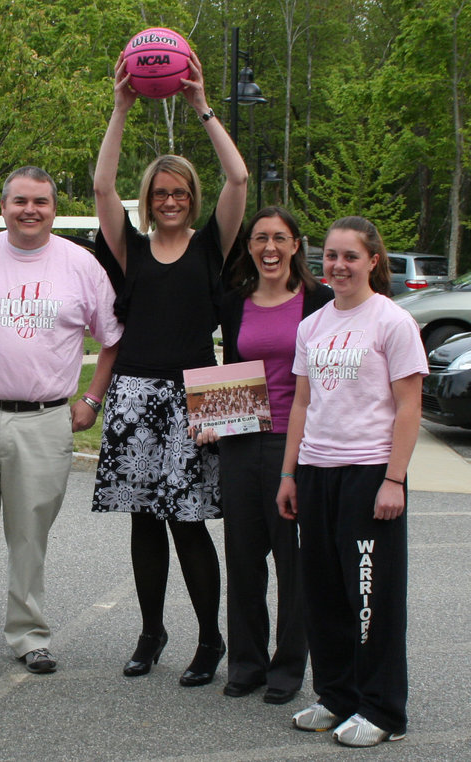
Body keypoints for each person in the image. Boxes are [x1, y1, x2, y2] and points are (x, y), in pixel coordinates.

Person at [0, 166, 123, 678]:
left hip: (46, 420)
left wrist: (93, 399)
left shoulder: (81, 265)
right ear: (4, 205)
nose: (29, 210)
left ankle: (30, 635)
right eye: (19, 202)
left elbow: (112, 339)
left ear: (54, 208)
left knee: (30, 534)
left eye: (40, 202)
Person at [91, 49, 248, 686]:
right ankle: (151, 632)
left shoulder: (214, 245)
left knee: (189, 526)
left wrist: (202, 107)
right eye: (161, 193)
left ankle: (210, 639)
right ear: (149, 200)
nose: (171, 201)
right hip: (133, 395)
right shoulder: (129, 247)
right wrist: (121, 107)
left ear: (191, 198)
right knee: (144, 524)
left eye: (180, 192)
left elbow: (237, 180)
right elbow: (102, 186)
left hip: (198, 392)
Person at [276, 216, 426, 747]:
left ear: (373, 261)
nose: (338, 266)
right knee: (322, 594)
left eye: (350, 256)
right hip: (317, 472)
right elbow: (302, 404)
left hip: (369, 474)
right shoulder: (312, 326)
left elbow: (410, 406)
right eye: (331, 256)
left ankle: (383, 709)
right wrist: (290, 473)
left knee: (370, 597)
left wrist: (394, 480)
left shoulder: (391, 322)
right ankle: (336, 696)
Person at [217, 207, 332, 704]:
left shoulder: (319, 301)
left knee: (293, 562)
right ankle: (246, 664)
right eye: (260, 238)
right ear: (249, 247)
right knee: (243, 561)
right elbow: (229, 369)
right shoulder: (234, 301)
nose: (269, 247)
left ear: (295, 245)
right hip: (242, 442)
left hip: (299, 445)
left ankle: (288, 669)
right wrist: (213, 418)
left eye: (279, 238)